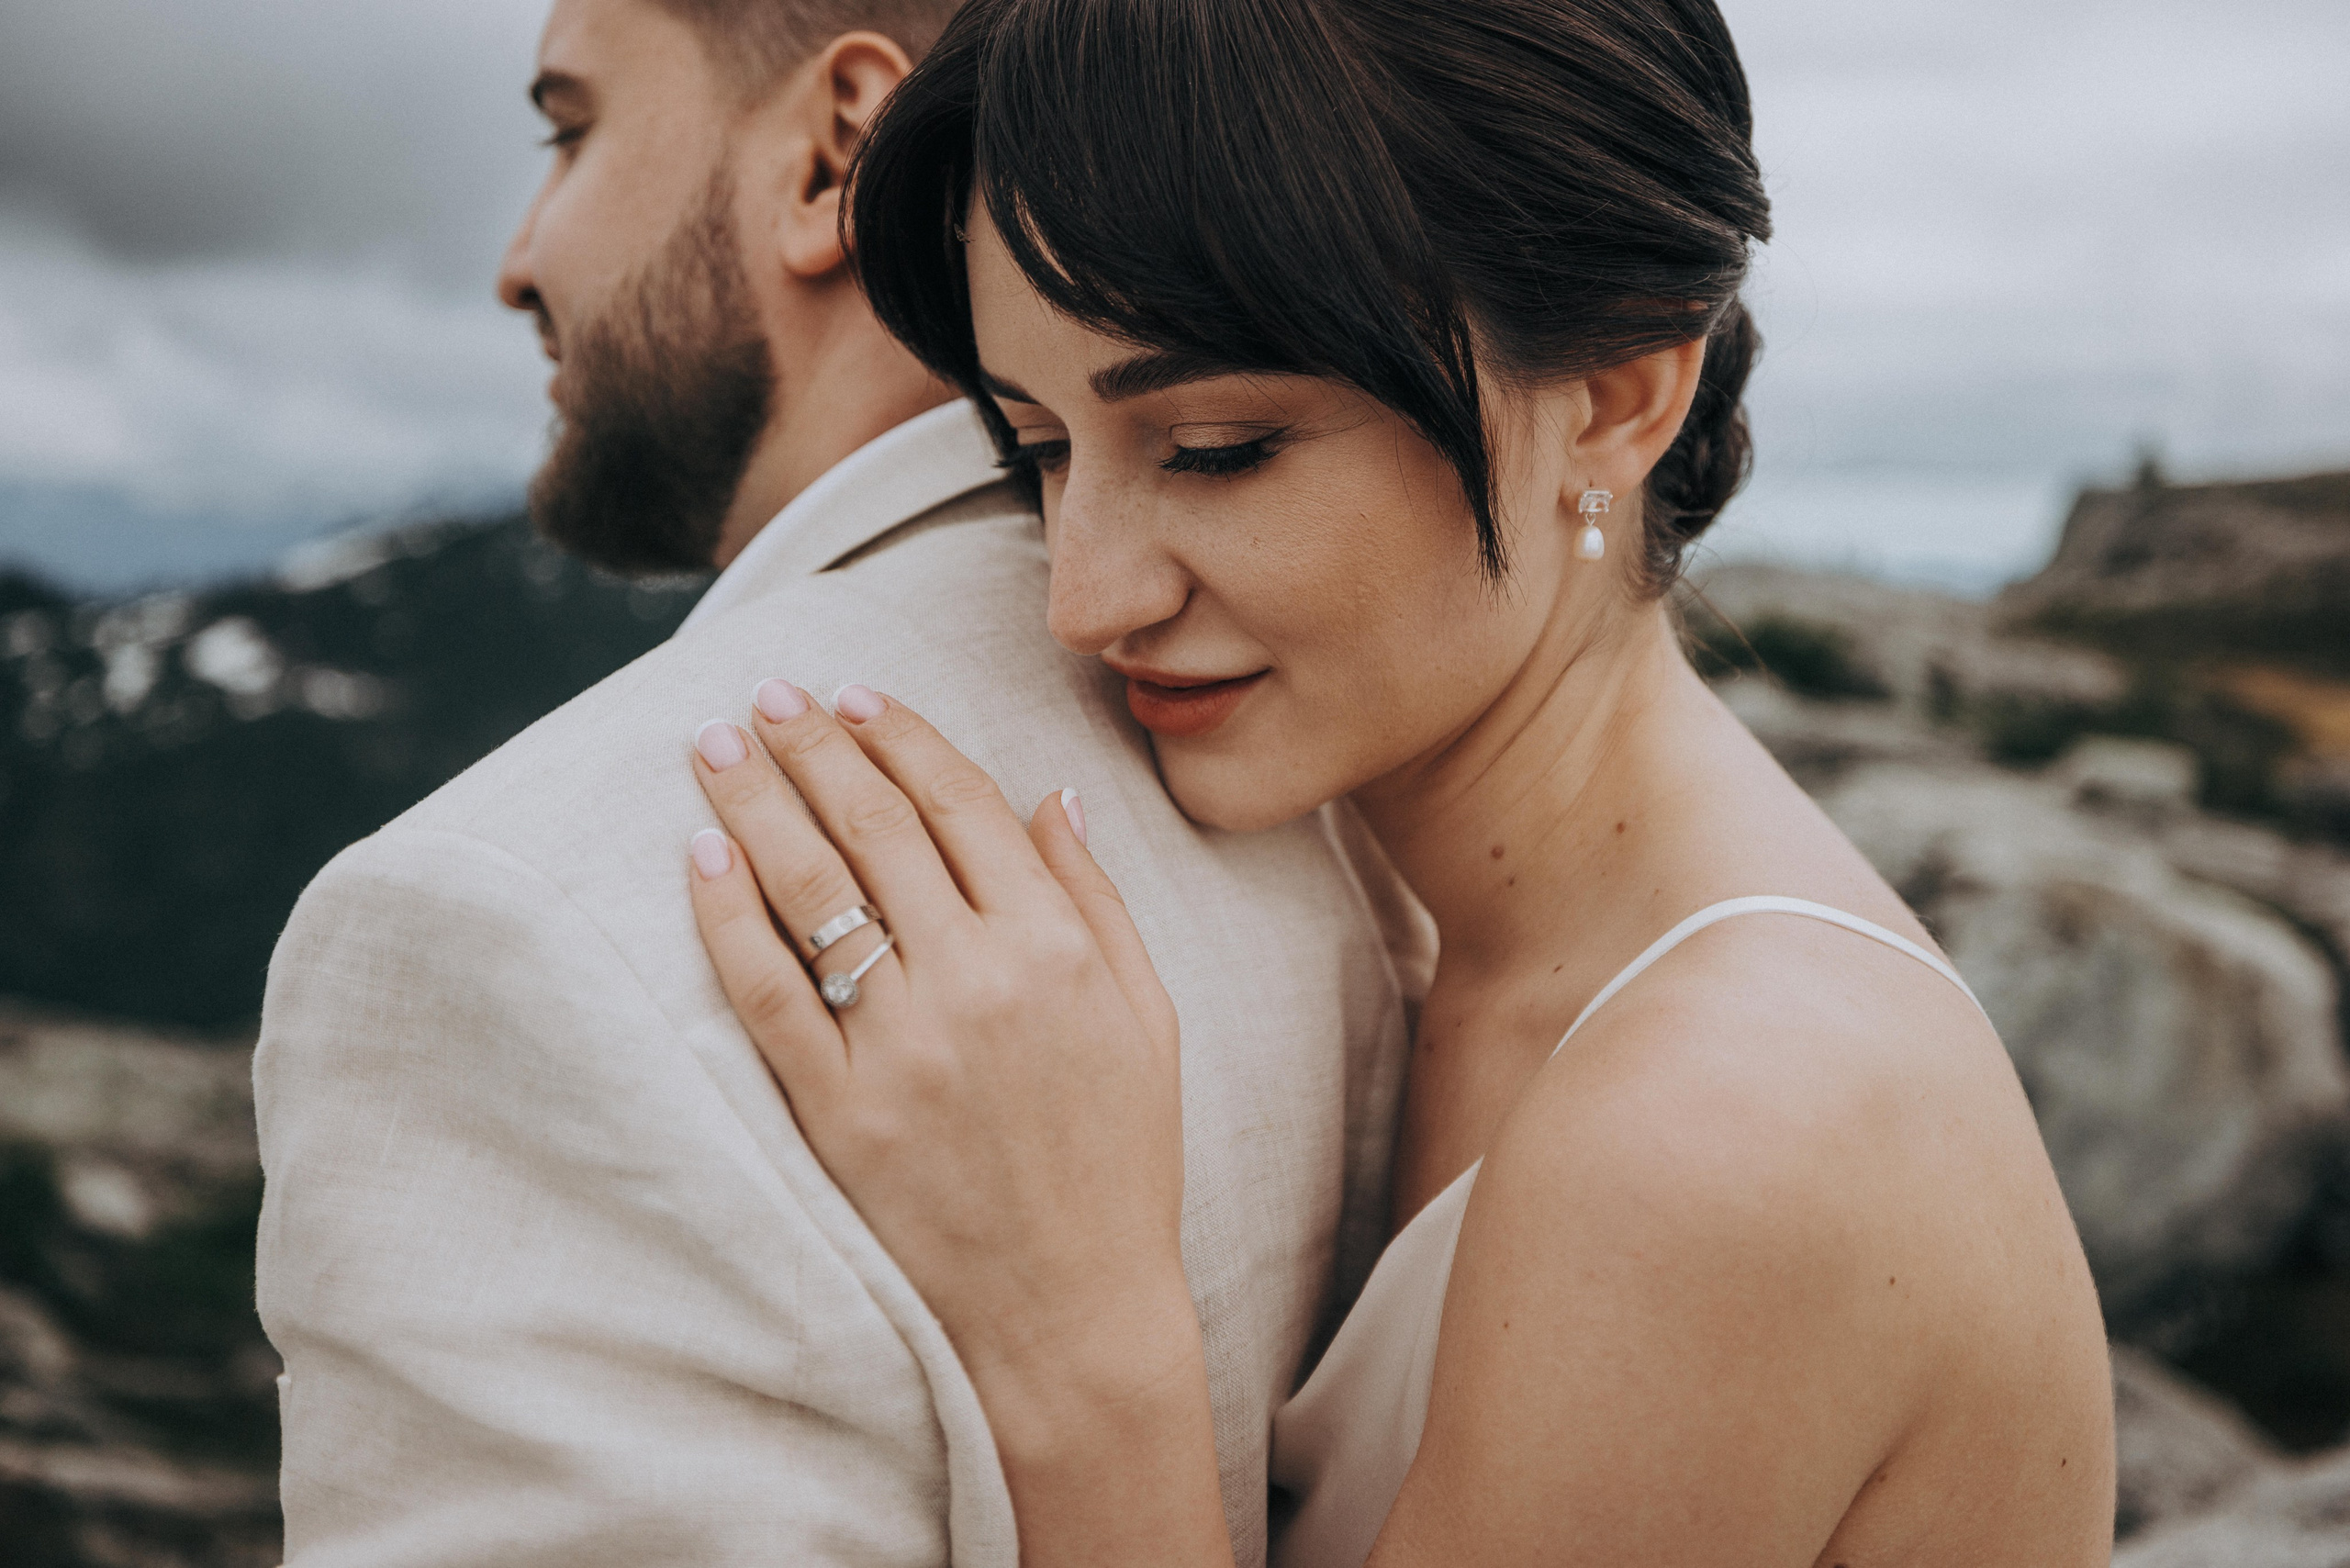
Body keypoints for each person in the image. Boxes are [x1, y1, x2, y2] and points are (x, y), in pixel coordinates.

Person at [681, 0, 2121, 1564]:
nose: (1081, 600)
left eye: (1219, 447)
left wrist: (1081, 1350)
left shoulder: (1723, 1133)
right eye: (1039, 450)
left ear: (1619, 397)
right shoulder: (1440, 924)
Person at [251, 0, 1418, 1562]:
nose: (520, 257)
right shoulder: (1371, 756)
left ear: (837, 153)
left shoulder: (504, 922)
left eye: (572, 127)